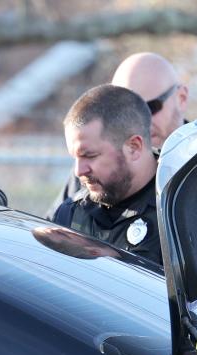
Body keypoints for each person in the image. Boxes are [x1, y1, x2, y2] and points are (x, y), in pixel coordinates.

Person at [47, 53, 189, 217]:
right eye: (118, 113)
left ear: (181, 98)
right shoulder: (89, 169)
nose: (136, 121)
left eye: (150, 107)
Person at [51, 84, 162, 267]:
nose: (79, 171)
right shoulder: (71, 214)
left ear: (133, 147)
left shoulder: (178, 214)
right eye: (75, 157)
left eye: (89, 155)